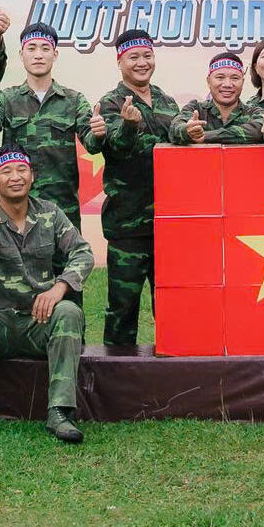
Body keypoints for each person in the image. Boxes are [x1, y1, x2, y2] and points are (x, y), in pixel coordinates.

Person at [0, 151, 93, 443]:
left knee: (70, 312)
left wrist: (60, 287)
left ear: (32, 176)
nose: (15, 177)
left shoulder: (50, 213)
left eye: (22, 170)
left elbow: (83, 252)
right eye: (7, 172)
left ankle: (60, 412)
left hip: (38, 321)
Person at [80, 29, 181, 349]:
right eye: (133, 57)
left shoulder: (167, 100)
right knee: (123, 308)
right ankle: (117, 378)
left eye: (147, 56)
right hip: (128, 225)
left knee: (171, 306)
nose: (142, 63)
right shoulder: (110, 103)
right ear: (120, 61)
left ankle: (176, 370)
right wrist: (128, 124)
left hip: (168, 224)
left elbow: (179, 148)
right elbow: (116, 148)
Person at [0, 24, 87, 216]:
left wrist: (101, 131)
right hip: (15, 211)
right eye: (32, 48)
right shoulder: (6, 99)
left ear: (55, 54)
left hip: (62, 212)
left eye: (45, 49)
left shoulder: (74, 100)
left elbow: (93, 142)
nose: (38, 55)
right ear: (22, 55)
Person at [171, 53, 264, 144]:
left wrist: (205, 136)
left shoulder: (253, 112)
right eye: (220, 77)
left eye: (235, 78)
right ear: (208, 81)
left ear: (242, 82)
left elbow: (258, 130)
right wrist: (187, 131)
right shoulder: (195, 109)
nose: (227, 84)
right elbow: (175, 128)